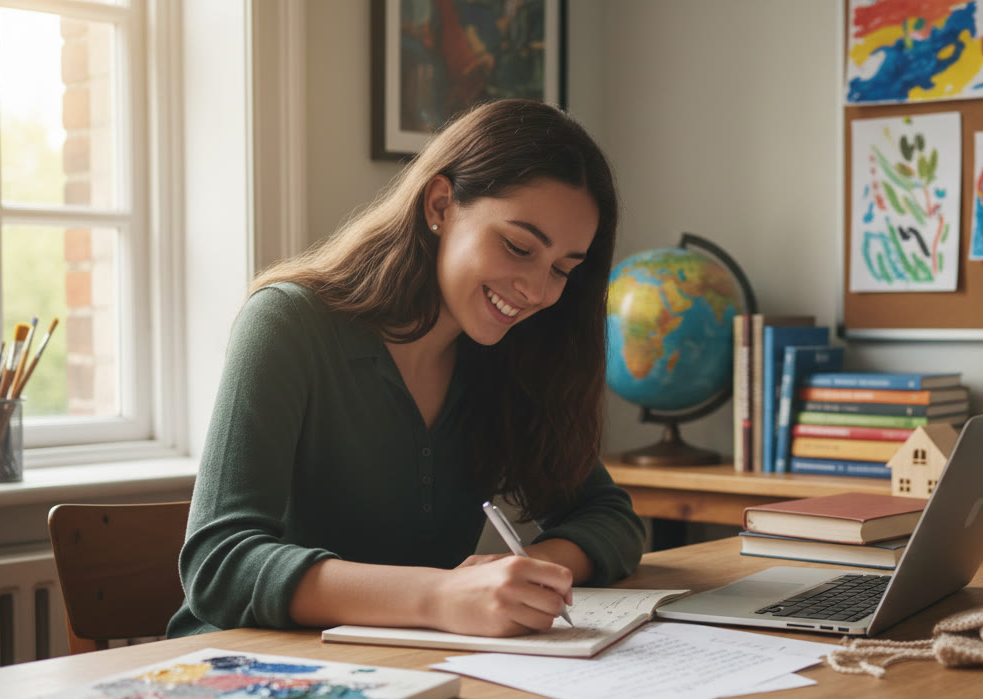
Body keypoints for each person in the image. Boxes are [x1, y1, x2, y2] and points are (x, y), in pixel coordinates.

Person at [167, 99, 645, 640]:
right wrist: (441, 596)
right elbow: (219, 563)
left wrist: (523, 573)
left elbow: (610, 516)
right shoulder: (287, 323)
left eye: (562, 269)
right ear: (440, 204)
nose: (536, 291)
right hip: (246, 667)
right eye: (518, 247)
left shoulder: (507, 356)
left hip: (406, 665)